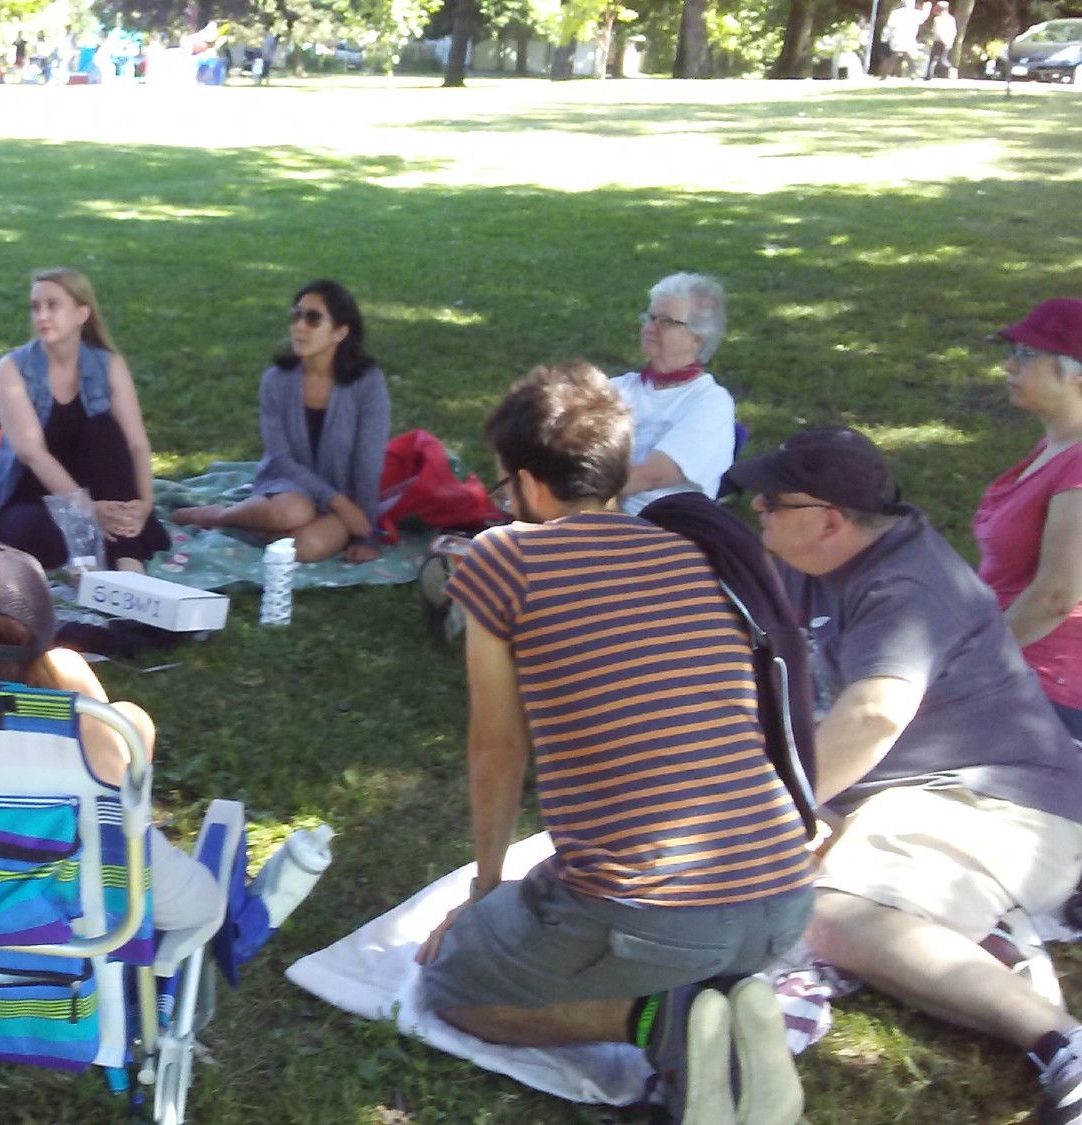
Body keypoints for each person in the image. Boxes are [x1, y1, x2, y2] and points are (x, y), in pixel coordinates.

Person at [415, 363, 815, 1124]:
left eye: (502, 488)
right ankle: (725, 1008)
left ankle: (670, 1027)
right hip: (784, 894)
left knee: (453, 985)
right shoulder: (692, 553)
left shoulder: (504, 556)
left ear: (529, 487)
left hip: (651, 911)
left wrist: (483, 890)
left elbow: (497, 748)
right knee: (616, 925)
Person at [726, 427, 1082, 1125]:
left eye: (771, 499)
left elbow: (875, 714)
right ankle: (963, 937)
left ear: (829, 518)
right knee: (801, 886)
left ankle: (1063, 1044)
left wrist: (770, 809)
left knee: (834, 912)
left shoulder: (906, 584)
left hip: (1003, 797)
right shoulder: (810, 558)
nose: (756, 507)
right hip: (906, 792)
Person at [0, 540, 329, 940]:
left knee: (125, 729)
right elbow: (190, 904)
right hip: (51, 926)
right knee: (204, 904)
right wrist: (69, 672)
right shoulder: (59, 733)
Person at [171, 280, 391, 564]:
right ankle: (220, 516)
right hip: (290, 485)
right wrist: (339, 504)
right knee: (293, 512)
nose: (299, 326)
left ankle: (267, 530)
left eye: (313, 319)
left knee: (306, 548)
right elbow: (281, 458)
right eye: (296, 315)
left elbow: (368, 463)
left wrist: (365, 533)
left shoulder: (367, 383)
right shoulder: (276, 381)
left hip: (345, 496)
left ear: (340, 332)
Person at [0, 268, 169, 572]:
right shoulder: (12, 368)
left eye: (53, 305)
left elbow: (137, 443)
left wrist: (145, 504)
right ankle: (113, 558)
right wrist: (85, 510)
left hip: (102, 492)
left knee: (104, 429)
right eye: (36, 307)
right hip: (36, 499)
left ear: (82, 313)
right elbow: (32, 453)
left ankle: (128, 566)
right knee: (35, 535)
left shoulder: (107, 364)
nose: (42, 315)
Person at [975, 299, 1082, 740]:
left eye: (1025, 356)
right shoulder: (1056, 448)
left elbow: (1057, 597)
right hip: (1014, 664)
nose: (1007, 366)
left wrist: (968, 661)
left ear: (1076, 376)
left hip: (1047, 692)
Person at [610, 272, 736, 515]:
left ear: (697, 338)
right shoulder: (619, 388)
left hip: (660, 531)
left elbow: (652, 476)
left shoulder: (710, 403)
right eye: (650, 317)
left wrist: (567, 491)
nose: (648, 328)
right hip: (592, 517)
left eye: (665, 321)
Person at [881, 0, 928, 78]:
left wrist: (884, 38)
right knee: (906, 55)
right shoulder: (914, 13)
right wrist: (927, 8)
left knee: (896, 55)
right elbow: (923, 18)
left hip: (897, 37)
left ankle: (886, 74)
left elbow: (889, 26)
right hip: (907, 38)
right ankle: (912, 73)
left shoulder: (895, 13)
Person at [925, 1, 957, 78]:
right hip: (947, 41)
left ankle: (952, 70)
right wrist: (950, 41)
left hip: (940, 41)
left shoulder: (938, 19)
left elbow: (938, 31)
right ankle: (929, 75)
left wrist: (944, 41)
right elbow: (954, 31)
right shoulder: (951, 19)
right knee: (938, 59)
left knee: (938, 59)